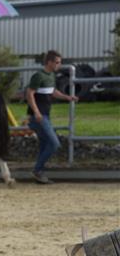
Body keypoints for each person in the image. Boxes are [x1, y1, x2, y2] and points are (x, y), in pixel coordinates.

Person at [26, 49, 78, 184]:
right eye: (57, 62)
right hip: (38, 117)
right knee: (54, 144)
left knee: (45, 144)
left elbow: (53, 91)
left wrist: (67, 97)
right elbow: (29, 94)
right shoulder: (39, 76)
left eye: (59, 62)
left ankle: (39, 173)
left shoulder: (51, 76)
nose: (59, 65)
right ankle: (37, 170)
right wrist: (36, 112)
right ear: (49, 62)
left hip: (45, 116)